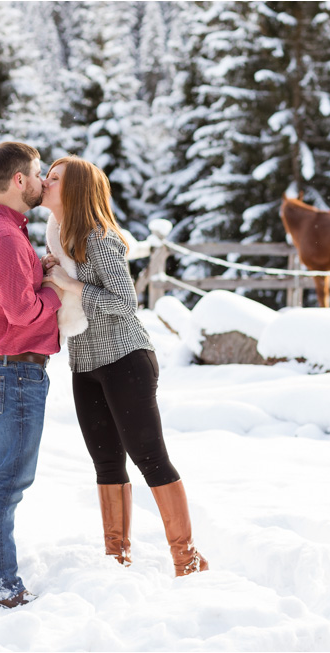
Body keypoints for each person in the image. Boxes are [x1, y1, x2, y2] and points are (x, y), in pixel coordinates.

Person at [40, 156, 208, 576]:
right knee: (106, 463)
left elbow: (124, 301)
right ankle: (117, 558)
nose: (45, 181)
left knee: (149, 456)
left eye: (55, 178)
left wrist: (69, 283)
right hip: (85, 361)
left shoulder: (96, 237)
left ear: (75, 190)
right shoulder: (55, 238)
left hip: (125, 359)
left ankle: (186, 558)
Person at [0, 142, 62, 608]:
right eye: (39, 174)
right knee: (8, 481)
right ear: (20, 180)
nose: (43, 182)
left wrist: (37, 269)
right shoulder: (4, 235)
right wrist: (59, 296)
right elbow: (22, 311)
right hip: (13, 373)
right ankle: (0, 585)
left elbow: (5, 290)